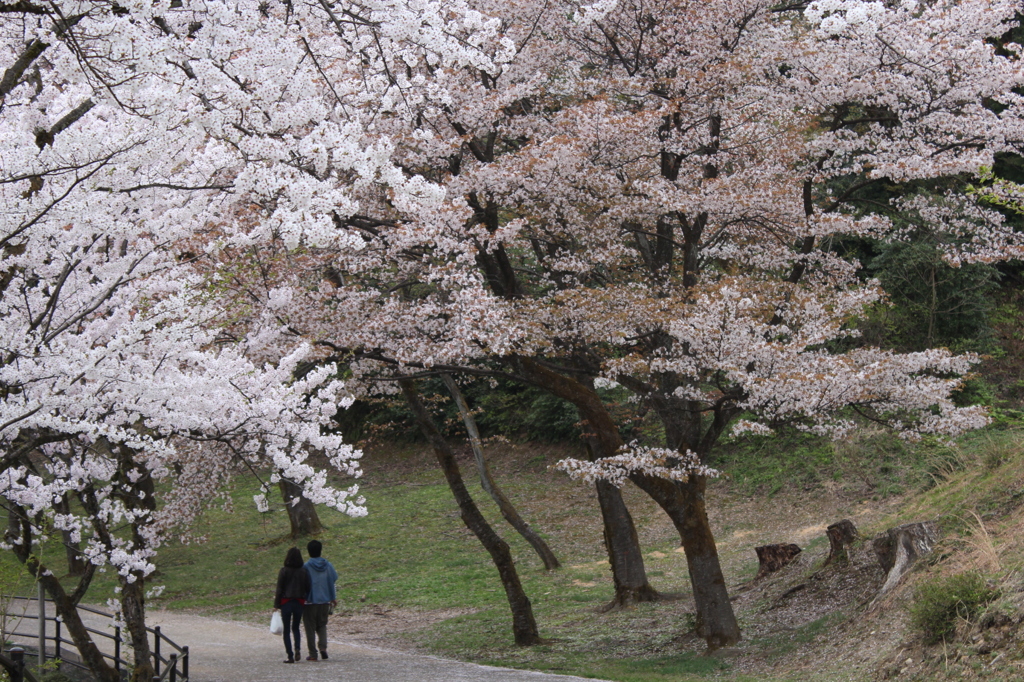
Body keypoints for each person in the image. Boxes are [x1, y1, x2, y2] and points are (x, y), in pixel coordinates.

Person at [302, 539, 338, 661]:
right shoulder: (328, 565)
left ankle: (313, 653)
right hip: (325, 600)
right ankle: (323, 648)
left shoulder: (306, 567)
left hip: (309, 602)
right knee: (322, 625)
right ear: (320, 550)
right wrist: (333, 598)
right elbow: (333, 580)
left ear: (308, 551)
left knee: (310, 628)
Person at [274, 547, 311, 664]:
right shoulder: (304, 571)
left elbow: (279, 588)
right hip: (299, 601)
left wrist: (276, 604)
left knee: (286, 629)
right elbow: (308, 587)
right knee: (296, 627)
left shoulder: (284, 570)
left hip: (286, 601)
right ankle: (298, 648)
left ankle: (289, 655)